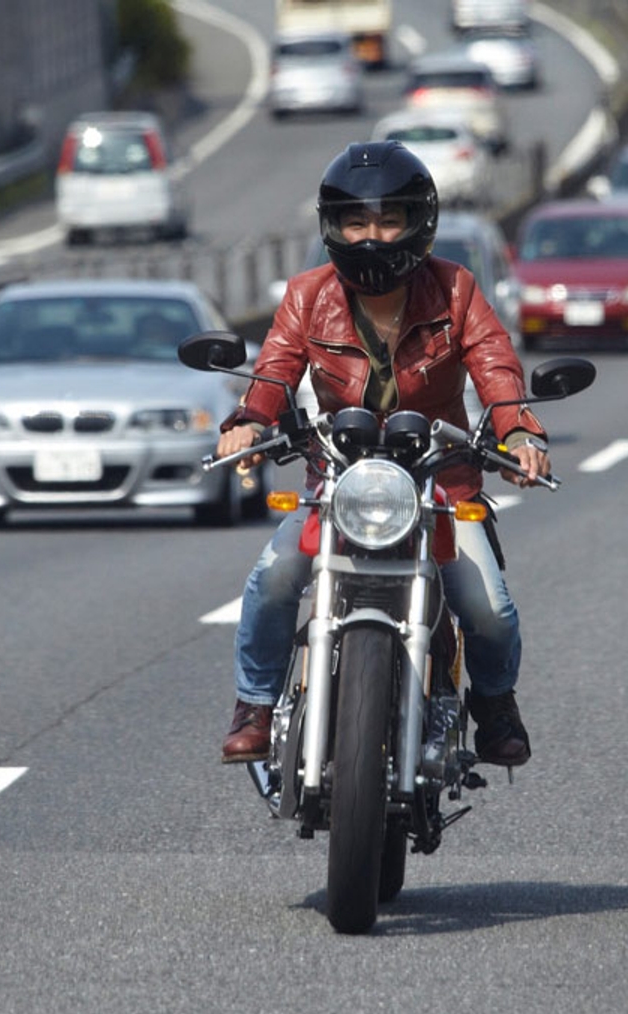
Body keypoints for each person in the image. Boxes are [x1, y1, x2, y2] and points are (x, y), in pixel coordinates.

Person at [211, 141, 552, 770]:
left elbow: (495, 363)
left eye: (388, 220)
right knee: (274, 574)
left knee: (489, 607)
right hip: (338, 481)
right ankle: (254, 706)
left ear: (418, 223)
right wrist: (249, 423)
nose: (371, 237)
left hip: (440, 484)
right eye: (355, 222)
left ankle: (496, 707)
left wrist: (519, 433)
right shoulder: (308, 295)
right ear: (332, 226)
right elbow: (275, 369)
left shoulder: (456, 289)